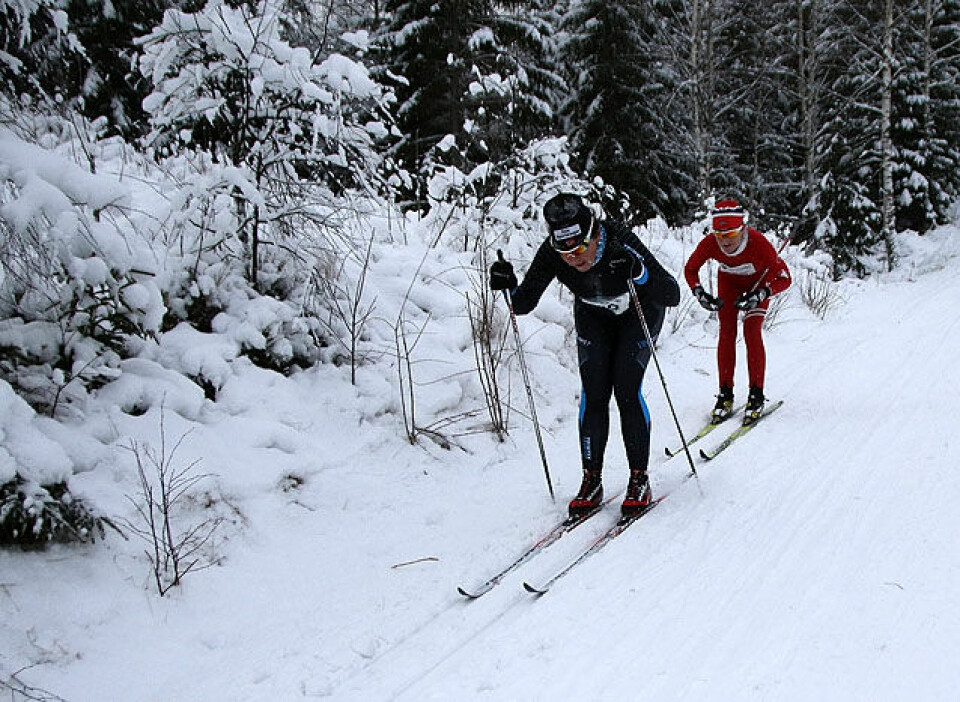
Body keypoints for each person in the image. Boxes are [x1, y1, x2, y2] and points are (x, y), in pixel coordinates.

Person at [489, 193, 680, 519]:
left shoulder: (618, 239)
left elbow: (670, 293)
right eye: (565, 251)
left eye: (580, 248)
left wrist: (638, 272)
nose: (574, 258)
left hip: (638, 312)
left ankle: (639, 479)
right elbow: (522, 304)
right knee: (594, 393)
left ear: (594, 233)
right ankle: (591, 480)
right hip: (594, 316)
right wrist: (507, 284)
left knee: (626, 389)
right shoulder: (553, 253)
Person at [684, 199, 791, 426]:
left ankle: (756, 395)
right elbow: (690, 269)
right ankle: (725, 394)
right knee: (727, 332)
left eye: (731, 234)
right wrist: (699, 292)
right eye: (719, 234)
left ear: (742, 229)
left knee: (752, 331)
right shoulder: (710, 244)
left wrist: (762, 293)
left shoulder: (758, 244)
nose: (725, 241)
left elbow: (785, 278)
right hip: (729, 284)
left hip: (757, 285)